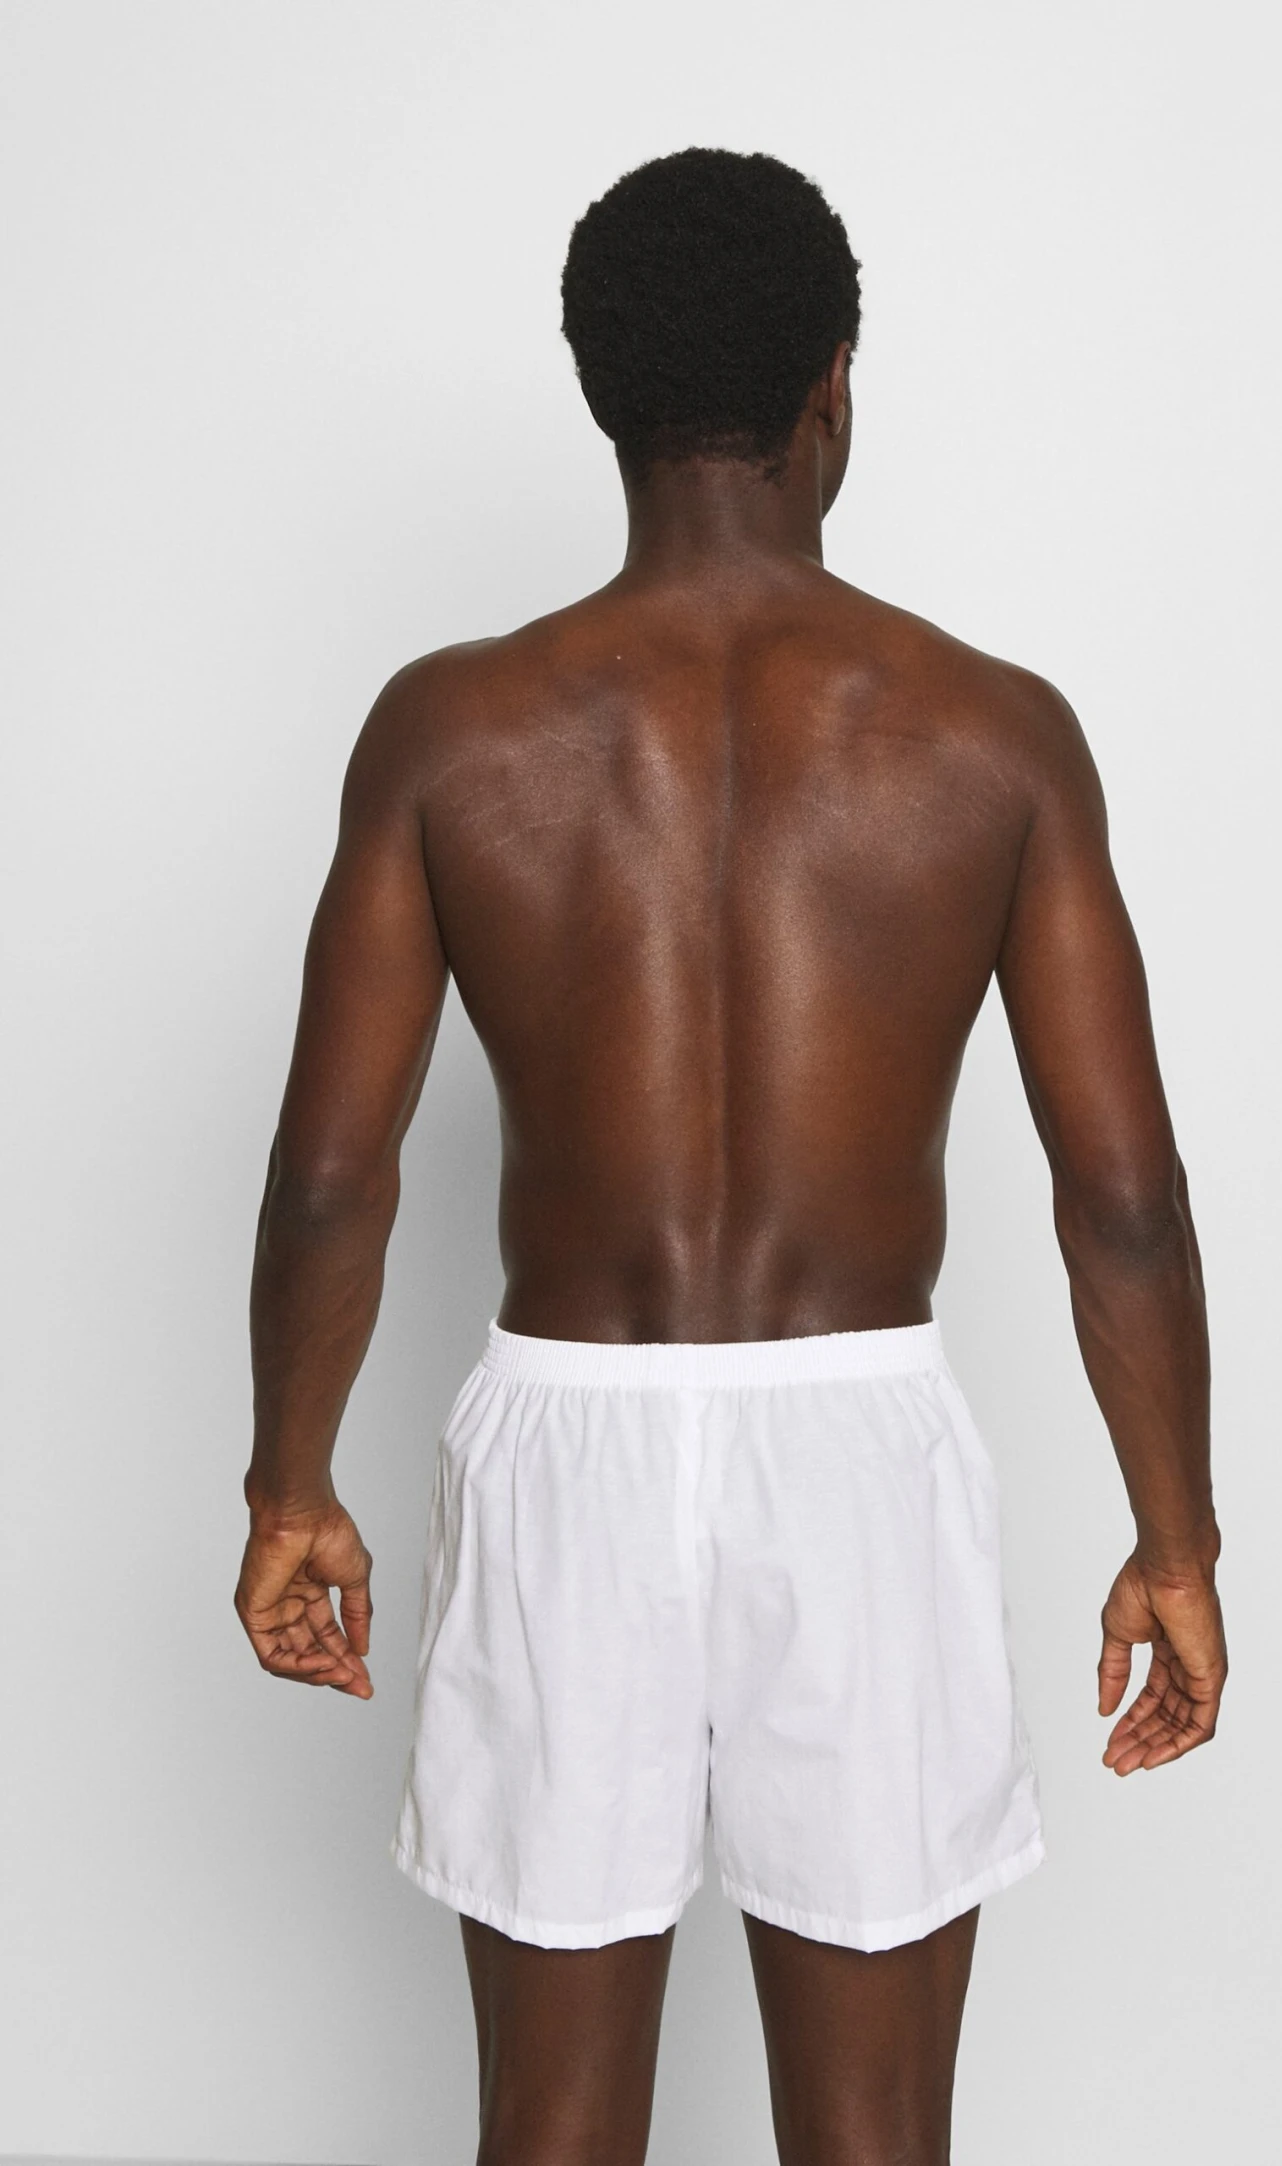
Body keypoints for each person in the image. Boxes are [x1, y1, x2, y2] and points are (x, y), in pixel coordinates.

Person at [235, 147, 1225, 2166]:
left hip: (568, 1437)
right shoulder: (993, 733)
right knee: (873, 2140)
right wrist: (1177, 1540)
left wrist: (289, 1485)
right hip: (859, 1442)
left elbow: (334, 1175)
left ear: (601, 394)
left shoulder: (451, 732)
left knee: (549, 2130)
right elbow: (1120, 1196)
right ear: (832, 387)